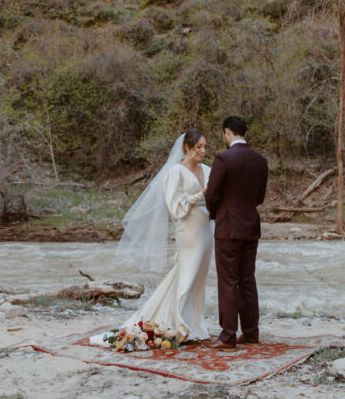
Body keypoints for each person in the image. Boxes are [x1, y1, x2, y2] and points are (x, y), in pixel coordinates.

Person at [93, 128, 213, 346]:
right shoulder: (175, 172)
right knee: (186, 276)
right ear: (187, 147)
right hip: (188, 231)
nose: (203, 151)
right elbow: (175, 206)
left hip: (207, 229)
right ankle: (179, 326)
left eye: (205, 147)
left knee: (197, 279)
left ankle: (194, 324)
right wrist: (200, 195)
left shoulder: (207, 169)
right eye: (199, 147)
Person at [203, 115, 268, 350]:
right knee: (247, 279)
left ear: (227, 132)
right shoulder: (260, 160)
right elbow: (259, 197)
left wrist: (215, 214)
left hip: (228, 226)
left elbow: (211, 194)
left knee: (229, 280)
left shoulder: (223, 158)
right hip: (251, 226)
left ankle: (228, 335)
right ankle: (251, 333)